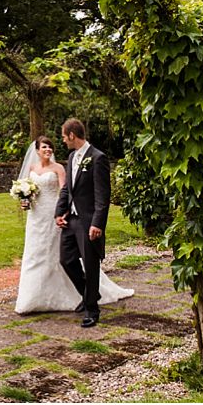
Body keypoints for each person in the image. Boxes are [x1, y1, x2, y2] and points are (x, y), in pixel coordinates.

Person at [14, 134, 133, 315]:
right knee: (34, 256)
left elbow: (67, 190)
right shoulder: (32, 168)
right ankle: (32, 298)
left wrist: (63, 211)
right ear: (37, 150)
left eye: (49, 147)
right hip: (36, 217)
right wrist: (25, 200)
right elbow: (31, 194)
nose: (48, 150)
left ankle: (86, 296)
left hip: (56, 214)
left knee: (61, 256)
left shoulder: (59, 168)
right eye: (44, 147)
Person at [55, 118, 128, 328]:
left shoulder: (98, 158)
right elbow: (67, 189)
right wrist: (59, 212)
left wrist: (97, 223)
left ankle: (91, 310)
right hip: (71, 220)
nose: (62, 140)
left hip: (88, 221)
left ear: (72, 135)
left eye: (63, 136)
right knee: (66, 260)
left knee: (90, 263)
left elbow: (102, 196)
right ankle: (90, 293)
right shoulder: (71, 157)